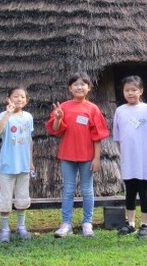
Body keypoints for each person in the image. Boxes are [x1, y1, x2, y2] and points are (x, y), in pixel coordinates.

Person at [46, 72, 110, 238]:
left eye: (83, 84)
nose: (79, 87)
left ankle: (87, 223)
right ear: (70, 88)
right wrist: (58, 118)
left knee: (87, 190)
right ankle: (66, 223)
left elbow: (97, 136)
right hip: (68, 155)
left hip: (87, 156)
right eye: (75, 84)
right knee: (68, 190)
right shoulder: (64, 107)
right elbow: (56, 130)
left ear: (89, 88)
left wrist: (96, 158)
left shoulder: (93, 109)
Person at [112, 75, 147, 239]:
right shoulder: (120, 110)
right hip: (128, 159)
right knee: (129, 191)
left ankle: (145, 224)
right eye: (127, 90)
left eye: (134, 90)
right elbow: (117, 136)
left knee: (144, 191)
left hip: (144, 158)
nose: (130, 93)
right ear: (123, 92)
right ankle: (130, 223)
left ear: (141, 91)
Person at [0, 86, 34, 243]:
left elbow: (30, 140)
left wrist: (31, 162)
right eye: (16, 96)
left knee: (23, 197)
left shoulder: (28, 117)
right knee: (5, 198)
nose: (19, 99)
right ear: (8, 99)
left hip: (23, 164)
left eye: (22, 97)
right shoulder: (4, 115)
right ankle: (5, 229)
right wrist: (8, 114)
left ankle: (21, 227)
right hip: (8, 164)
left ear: (27, 100)